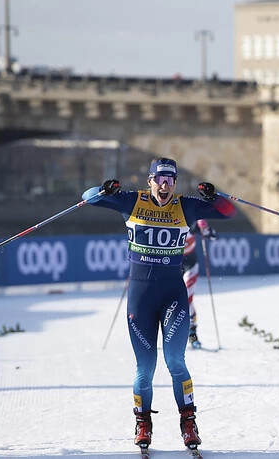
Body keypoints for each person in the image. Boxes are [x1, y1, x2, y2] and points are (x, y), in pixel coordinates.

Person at [81, 157, 236, 451]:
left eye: (170, 180)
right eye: (159, 179)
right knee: (145, 368)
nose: (164, 185)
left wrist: (215, 196)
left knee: (176, 361)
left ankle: (188, 422)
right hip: (141, 298)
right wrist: (105, 190)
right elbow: (88, 199)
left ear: (174, 183)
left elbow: (228, 212)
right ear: (150, 180)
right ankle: (143, 424)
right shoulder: (131, 201)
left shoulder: (186, 206)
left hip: (172, 295)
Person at [182, 219, 218, 349]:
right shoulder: (167, 220)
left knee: (187, 297)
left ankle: (192, 334)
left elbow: (214, 237)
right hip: (172, 266)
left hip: (190, 265)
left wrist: (205, 229)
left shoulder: (191, 223)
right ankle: (169, 334)